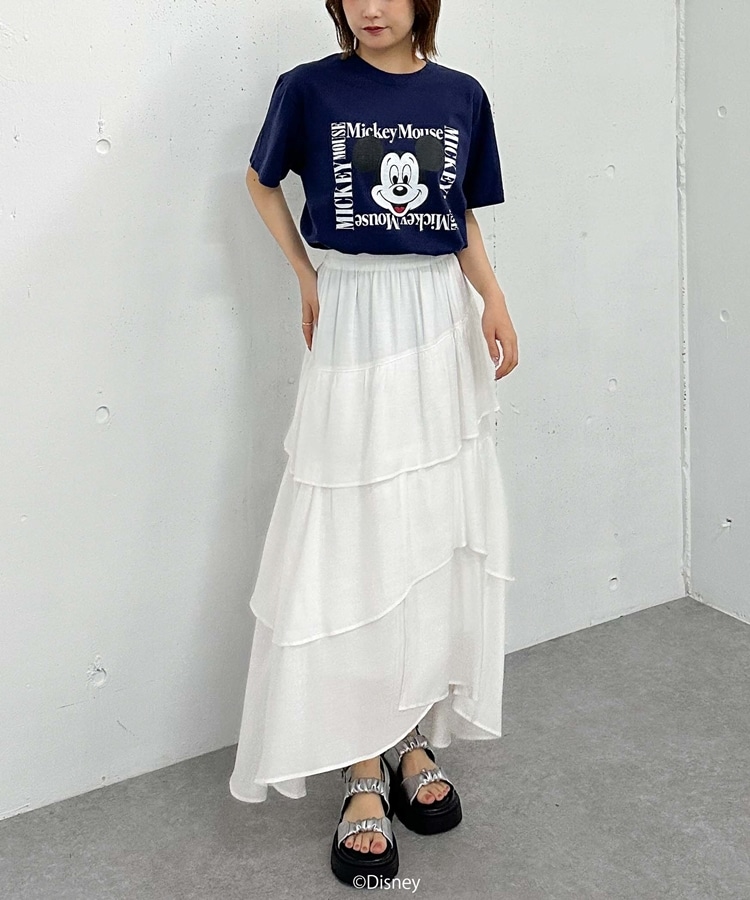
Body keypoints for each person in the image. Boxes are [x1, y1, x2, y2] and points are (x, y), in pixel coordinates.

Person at [229, 0, 518, 886]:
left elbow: (460, 213)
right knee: (356, 531)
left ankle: (408, 733)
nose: (371, 7)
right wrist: (307, 275)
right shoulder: (309, 89)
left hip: (437, 316)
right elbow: (261, 182)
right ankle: (361, 762)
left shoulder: (461, 94)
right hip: (355, 313)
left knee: (429, 526)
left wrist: (494, 298)